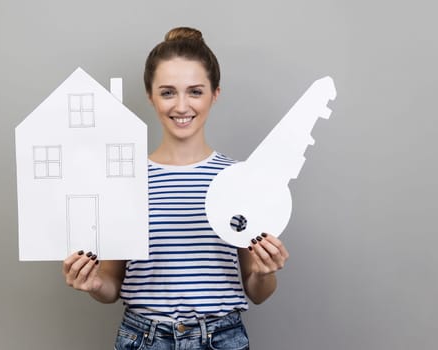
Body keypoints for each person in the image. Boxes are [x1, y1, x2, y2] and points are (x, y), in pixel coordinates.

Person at [62, 26, 289, 350]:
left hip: (221, 339)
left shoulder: (240, 180)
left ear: (215, 94)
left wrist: (265, 272)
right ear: (150, 96)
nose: (181, 106)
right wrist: (94, 282)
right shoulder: (125, 182)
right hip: (143, 339)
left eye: (195, 91)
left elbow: (258, 291)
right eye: (168, 92)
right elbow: (112, 284)